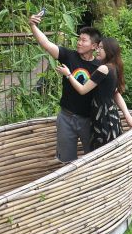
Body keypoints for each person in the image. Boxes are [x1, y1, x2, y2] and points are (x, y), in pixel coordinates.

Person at [29, 14, 102, 162]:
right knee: (66, 159)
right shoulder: (69, 56)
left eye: (83, 40)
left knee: (93, 157)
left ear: (94, 46)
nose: (79, 43)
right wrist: (33, 26)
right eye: (79, 39)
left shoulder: (100, 68)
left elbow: (112, 92)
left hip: (88, 119)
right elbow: (46, 44)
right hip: (66, 117)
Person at [54, 36, 132, 150]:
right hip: (111, 115)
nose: (97, 50)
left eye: (101, 48)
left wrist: (68, 74)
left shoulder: (103, 69)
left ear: (109, 51)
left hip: (102, 116)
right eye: (98, 47)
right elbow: (116, 94)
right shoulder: (114, 68)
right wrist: (128, 116)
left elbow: (82, 90)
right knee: (109, 151)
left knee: (101, 151)